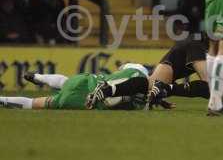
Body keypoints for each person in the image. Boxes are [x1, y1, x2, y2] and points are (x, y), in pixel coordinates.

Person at [85, 37, 223, 112]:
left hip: (186, 46)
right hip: (197, 48)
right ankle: (166, 89)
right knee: (210, 87)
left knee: (149, 85)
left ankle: (106, 90)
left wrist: (162, 93)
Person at [0, 64, 149, 111]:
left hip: (86, 79)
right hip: (84, 98)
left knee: (66, 82)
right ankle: (2, 100)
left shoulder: (125, 72)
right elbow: (113, 100)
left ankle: (38, 77)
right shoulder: (141, 82)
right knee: (35, 103)